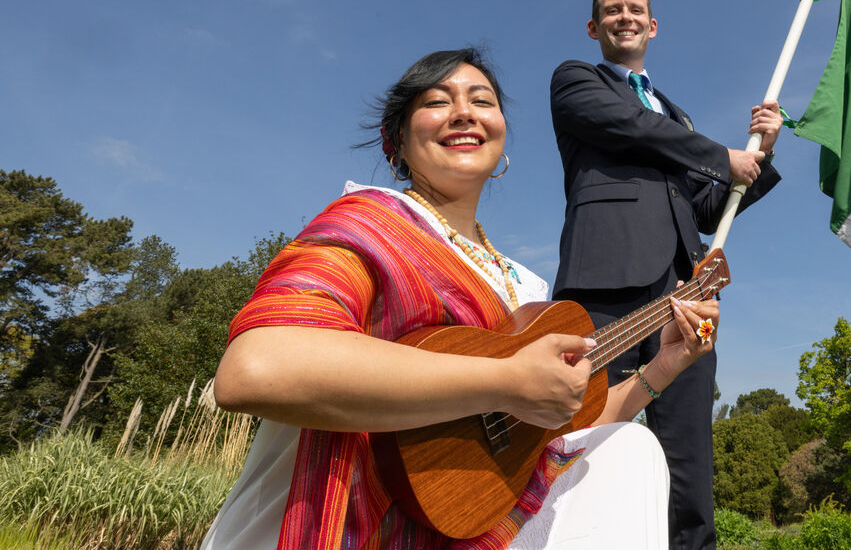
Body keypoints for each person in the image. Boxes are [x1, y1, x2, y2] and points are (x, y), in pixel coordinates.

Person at [201, 48, 720, 550]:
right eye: (436, 101)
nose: (463, 113)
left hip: (464, 527)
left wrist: (666, 366)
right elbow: (257, 368)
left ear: (501, 139)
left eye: (482, 100)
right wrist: (504, 382)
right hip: (324, 527)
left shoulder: (524, 288)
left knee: (627, 450)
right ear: (396, 141)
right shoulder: (370, 221)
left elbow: (554, 431)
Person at [550, 0, 782, 550]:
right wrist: (719, 155)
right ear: (594, 26)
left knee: (689, 460)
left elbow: (705, 208)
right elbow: (627, 125)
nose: (624, 16)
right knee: (584, 438)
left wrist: (758, 158)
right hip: (604, 285)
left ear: (652, 26)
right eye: (612, 9)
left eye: (635, 9)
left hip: (689, 294)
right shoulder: (578, 81)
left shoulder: (676, 119)